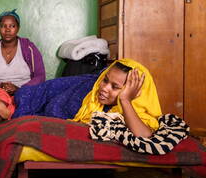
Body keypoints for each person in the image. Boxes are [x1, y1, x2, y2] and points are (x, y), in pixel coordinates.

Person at [13, 58, 162, 137]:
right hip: (82, 85)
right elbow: (52, 91)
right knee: (45, 92)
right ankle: (9, 106)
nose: (104, 88)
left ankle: (8, 109)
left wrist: (125, 100)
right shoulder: (93, 89)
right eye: (105, 80)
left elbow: (144, 135)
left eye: (115, 87)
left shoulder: (138, 110)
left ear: (135, 91)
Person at [0, 9, 46, 127]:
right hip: (0, 90)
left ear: (18, 28)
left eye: (12, 26)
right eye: (3, 26)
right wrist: (0, 84)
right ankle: (0, 109)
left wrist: (20, 88)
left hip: (24, 91)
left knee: (21, 100)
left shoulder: (28, 48)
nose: (8, 29)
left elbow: (40, 76)